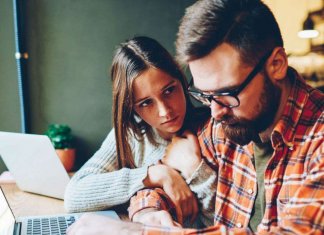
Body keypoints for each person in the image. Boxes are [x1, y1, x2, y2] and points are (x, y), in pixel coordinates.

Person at [67, 0, 324, 234]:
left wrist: (138, 232)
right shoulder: (223, 123)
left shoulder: (318, 141)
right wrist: (150, 212)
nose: (214, 112)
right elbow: (155, 192)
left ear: (276, 64)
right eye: (204, 96)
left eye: (226, 93)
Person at [64, 36, 214, 227]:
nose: (164, 111)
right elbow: (74, 194)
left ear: (181, 80)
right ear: (132, 108)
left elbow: (232, 221)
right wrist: (155, 174)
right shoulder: (133, 134)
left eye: (168, 90)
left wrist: (196, 170)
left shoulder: (212, 130)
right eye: (146, 103)